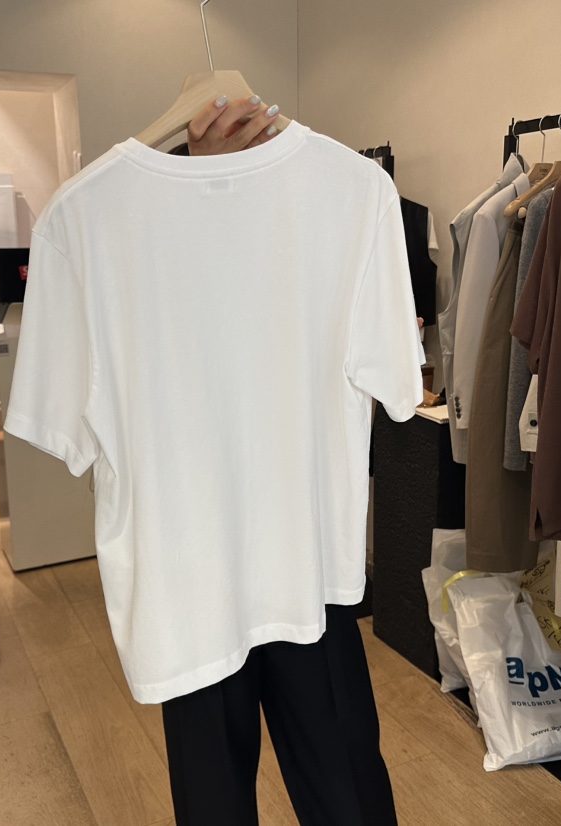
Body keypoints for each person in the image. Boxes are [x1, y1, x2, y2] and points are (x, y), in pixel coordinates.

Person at [161, 98, 400, 825]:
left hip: (301, 565)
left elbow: (392, 377)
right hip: (199, 571)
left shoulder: (352, 195)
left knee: (339, 779)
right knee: (248, 787)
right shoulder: (117, 218)